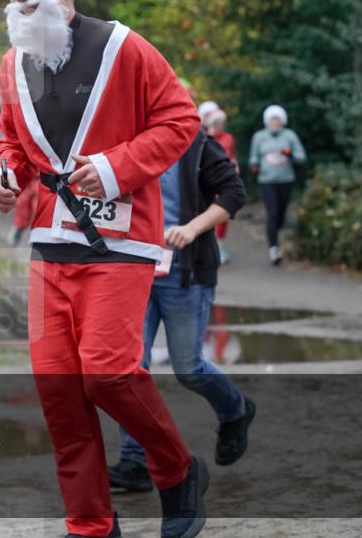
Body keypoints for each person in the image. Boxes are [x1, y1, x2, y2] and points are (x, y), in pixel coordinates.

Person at [0, 0, 208, 538]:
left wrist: (113, 168)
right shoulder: (12, 64)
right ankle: (90, 525)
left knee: (107, 371)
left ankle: (177, 470)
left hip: (122, 236)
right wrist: (6, 172)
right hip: (50, 242)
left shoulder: (124, 46)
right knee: (60, 390)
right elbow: (12, 140)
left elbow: (180, 120)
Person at [108, 126, 255, 493]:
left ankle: (234, 409)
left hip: (185, 272)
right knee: (129, 368)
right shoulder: (119, 137)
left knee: (188, 368)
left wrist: (191, 229)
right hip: (132, 270)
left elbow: (235, 193)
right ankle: (135, 459)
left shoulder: (196, 142)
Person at [249, 104, 307, 264]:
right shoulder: (259, 137)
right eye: (272, 120)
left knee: (281, 214)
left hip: (285, 180)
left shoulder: (289, 136)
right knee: (272, 213)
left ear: (282, 121)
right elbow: (253, 156)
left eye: (277, 120)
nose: (275, 123)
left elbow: (301, 157)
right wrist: (254, 165)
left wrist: (289, 154)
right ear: (267, 121)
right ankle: (273, 248)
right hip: (267, 181)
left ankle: (275, 235)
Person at [200, 105, 237, 263]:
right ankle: (208, 245)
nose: (222, 125)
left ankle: (220, 244)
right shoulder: (204, 138)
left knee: (223, 212)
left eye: (223, 122)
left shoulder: (229, 138)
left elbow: (232, 156)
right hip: (208, 180)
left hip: (224, 179)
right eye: (219, 122)